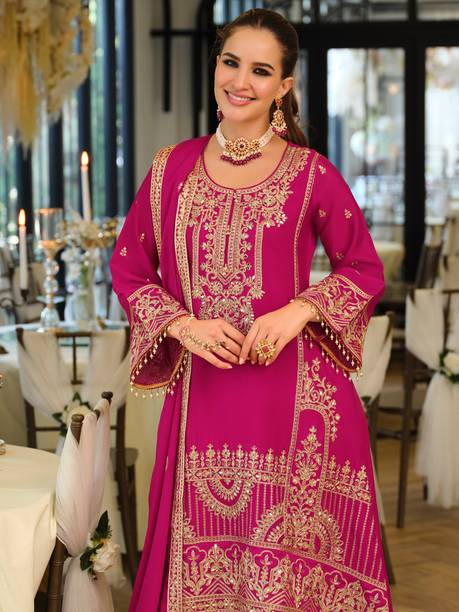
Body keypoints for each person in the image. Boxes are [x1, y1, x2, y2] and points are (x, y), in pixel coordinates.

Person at [110, 8, 393, 611]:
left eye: (260, 71)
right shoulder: (171, 169)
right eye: (230, 62)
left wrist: (301, 310)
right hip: (202, 398)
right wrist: (181, 324)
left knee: (280, 578)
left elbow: (364, 268)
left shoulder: (311, 174)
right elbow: (130, 267)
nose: (240, 81)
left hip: (294, 403)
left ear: (283, 86)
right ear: (215, 66)